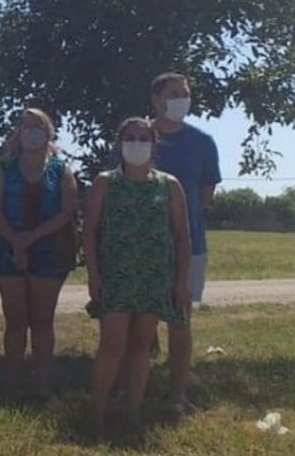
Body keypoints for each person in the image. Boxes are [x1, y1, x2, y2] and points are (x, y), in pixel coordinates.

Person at [84, 117, 191, 433]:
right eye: (129, 137)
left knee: (141, 346)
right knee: (111, 345)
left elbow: (183, 236)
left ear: (153, 143)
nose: (136, 143)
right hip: (115, 276)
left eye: (143, 138)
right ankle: (97, 413)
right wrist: (93, 274)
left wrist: (180, 281)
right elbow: (89, 230)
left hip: (154, 276)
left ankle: (133, 411)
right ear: (119, 143)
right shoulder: (106, 182)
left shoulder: (169, 185)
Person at [0, 108, 77, 400]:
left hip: (50, 252)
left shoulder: (61, 169)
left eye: (37, 126)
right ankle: (11, 384)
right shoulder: (6, 167)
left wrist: (32, 237)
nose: (31, 131)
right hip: (8, 251)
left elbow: (67, 212)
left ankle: (42, 385)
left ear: (48, 132)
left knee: (42, 320)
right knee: (14, 321)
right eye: (25, 126)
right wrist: (16, 241)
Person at [150, 72, 221, 412]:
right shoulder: (137, 137)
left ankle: (178, 393)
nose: (180, 99)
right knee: (138, 318)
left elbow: (206, 195)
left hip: (188, 246)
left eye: (185, 93)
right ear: (156, 100)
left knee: (180, 319)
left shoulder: (203, 142)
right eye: (172, 93)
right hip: (142, 245)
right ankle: (130, 387)